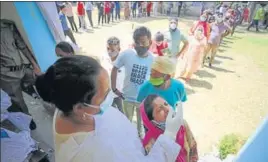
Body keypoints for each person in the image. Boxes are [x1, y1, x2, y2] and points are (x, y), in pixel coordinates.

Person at [35, 55, 182, 161]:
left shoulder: (67, 104)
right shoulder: (95, 154)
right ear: (80, 108)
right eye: (105, 94)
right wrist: (169, 135)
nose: (110, 95)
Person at [111, 26, 154, 137]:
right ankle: (126, 140)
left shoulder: (153, 60)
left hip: (142, 100)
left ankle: (140, 137)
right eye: (137, 42)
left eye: (143, 42)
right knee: (126, 123)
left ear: (150, 41)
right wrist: (114, 88)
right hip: (127, 98)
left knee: (142, 125)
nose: (140, 45)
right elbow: (115, 68)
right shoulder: (127, 54)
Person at [0, 19, 40, 130]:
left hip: (22, 68)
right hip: (5, 74)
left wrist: (35, 65)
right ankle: (27, 121)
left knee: (41, 83)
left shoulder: (8, 26)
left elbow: (22, 46)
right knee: (18, 102)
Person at [140, 95, 198, 162]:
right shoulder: (149, 143)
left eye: (166, 104)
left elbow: (192, 146)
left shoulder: (181, 124)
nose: (167, 109)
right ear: (151, 121)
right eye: (160, 109)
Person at [101, 37, 124, 113]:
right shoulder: (104, 57)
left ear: (119, 49)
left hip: (119, 94)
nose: (109, 52)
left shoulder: (124, 62)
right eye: (108, 48)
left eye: (113, 50)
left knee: (122, 113)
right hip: (107, 95)